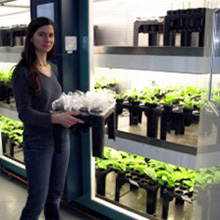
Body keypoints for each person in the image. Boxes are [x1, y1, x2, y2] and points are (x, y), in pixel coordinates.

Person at [12, 17, 84, 220]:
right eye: (41, 34)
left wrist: (73, 108)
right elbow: (25, 113)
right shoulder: (23, 72)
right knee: (36, 201)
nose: (47, 39)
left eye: (51, 35)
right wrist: (56, 119)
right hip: (38, 143)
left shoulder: (53, 68)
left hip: (61, 140)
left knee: (54, 197)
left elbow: (53, 102)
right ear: (32, 39)